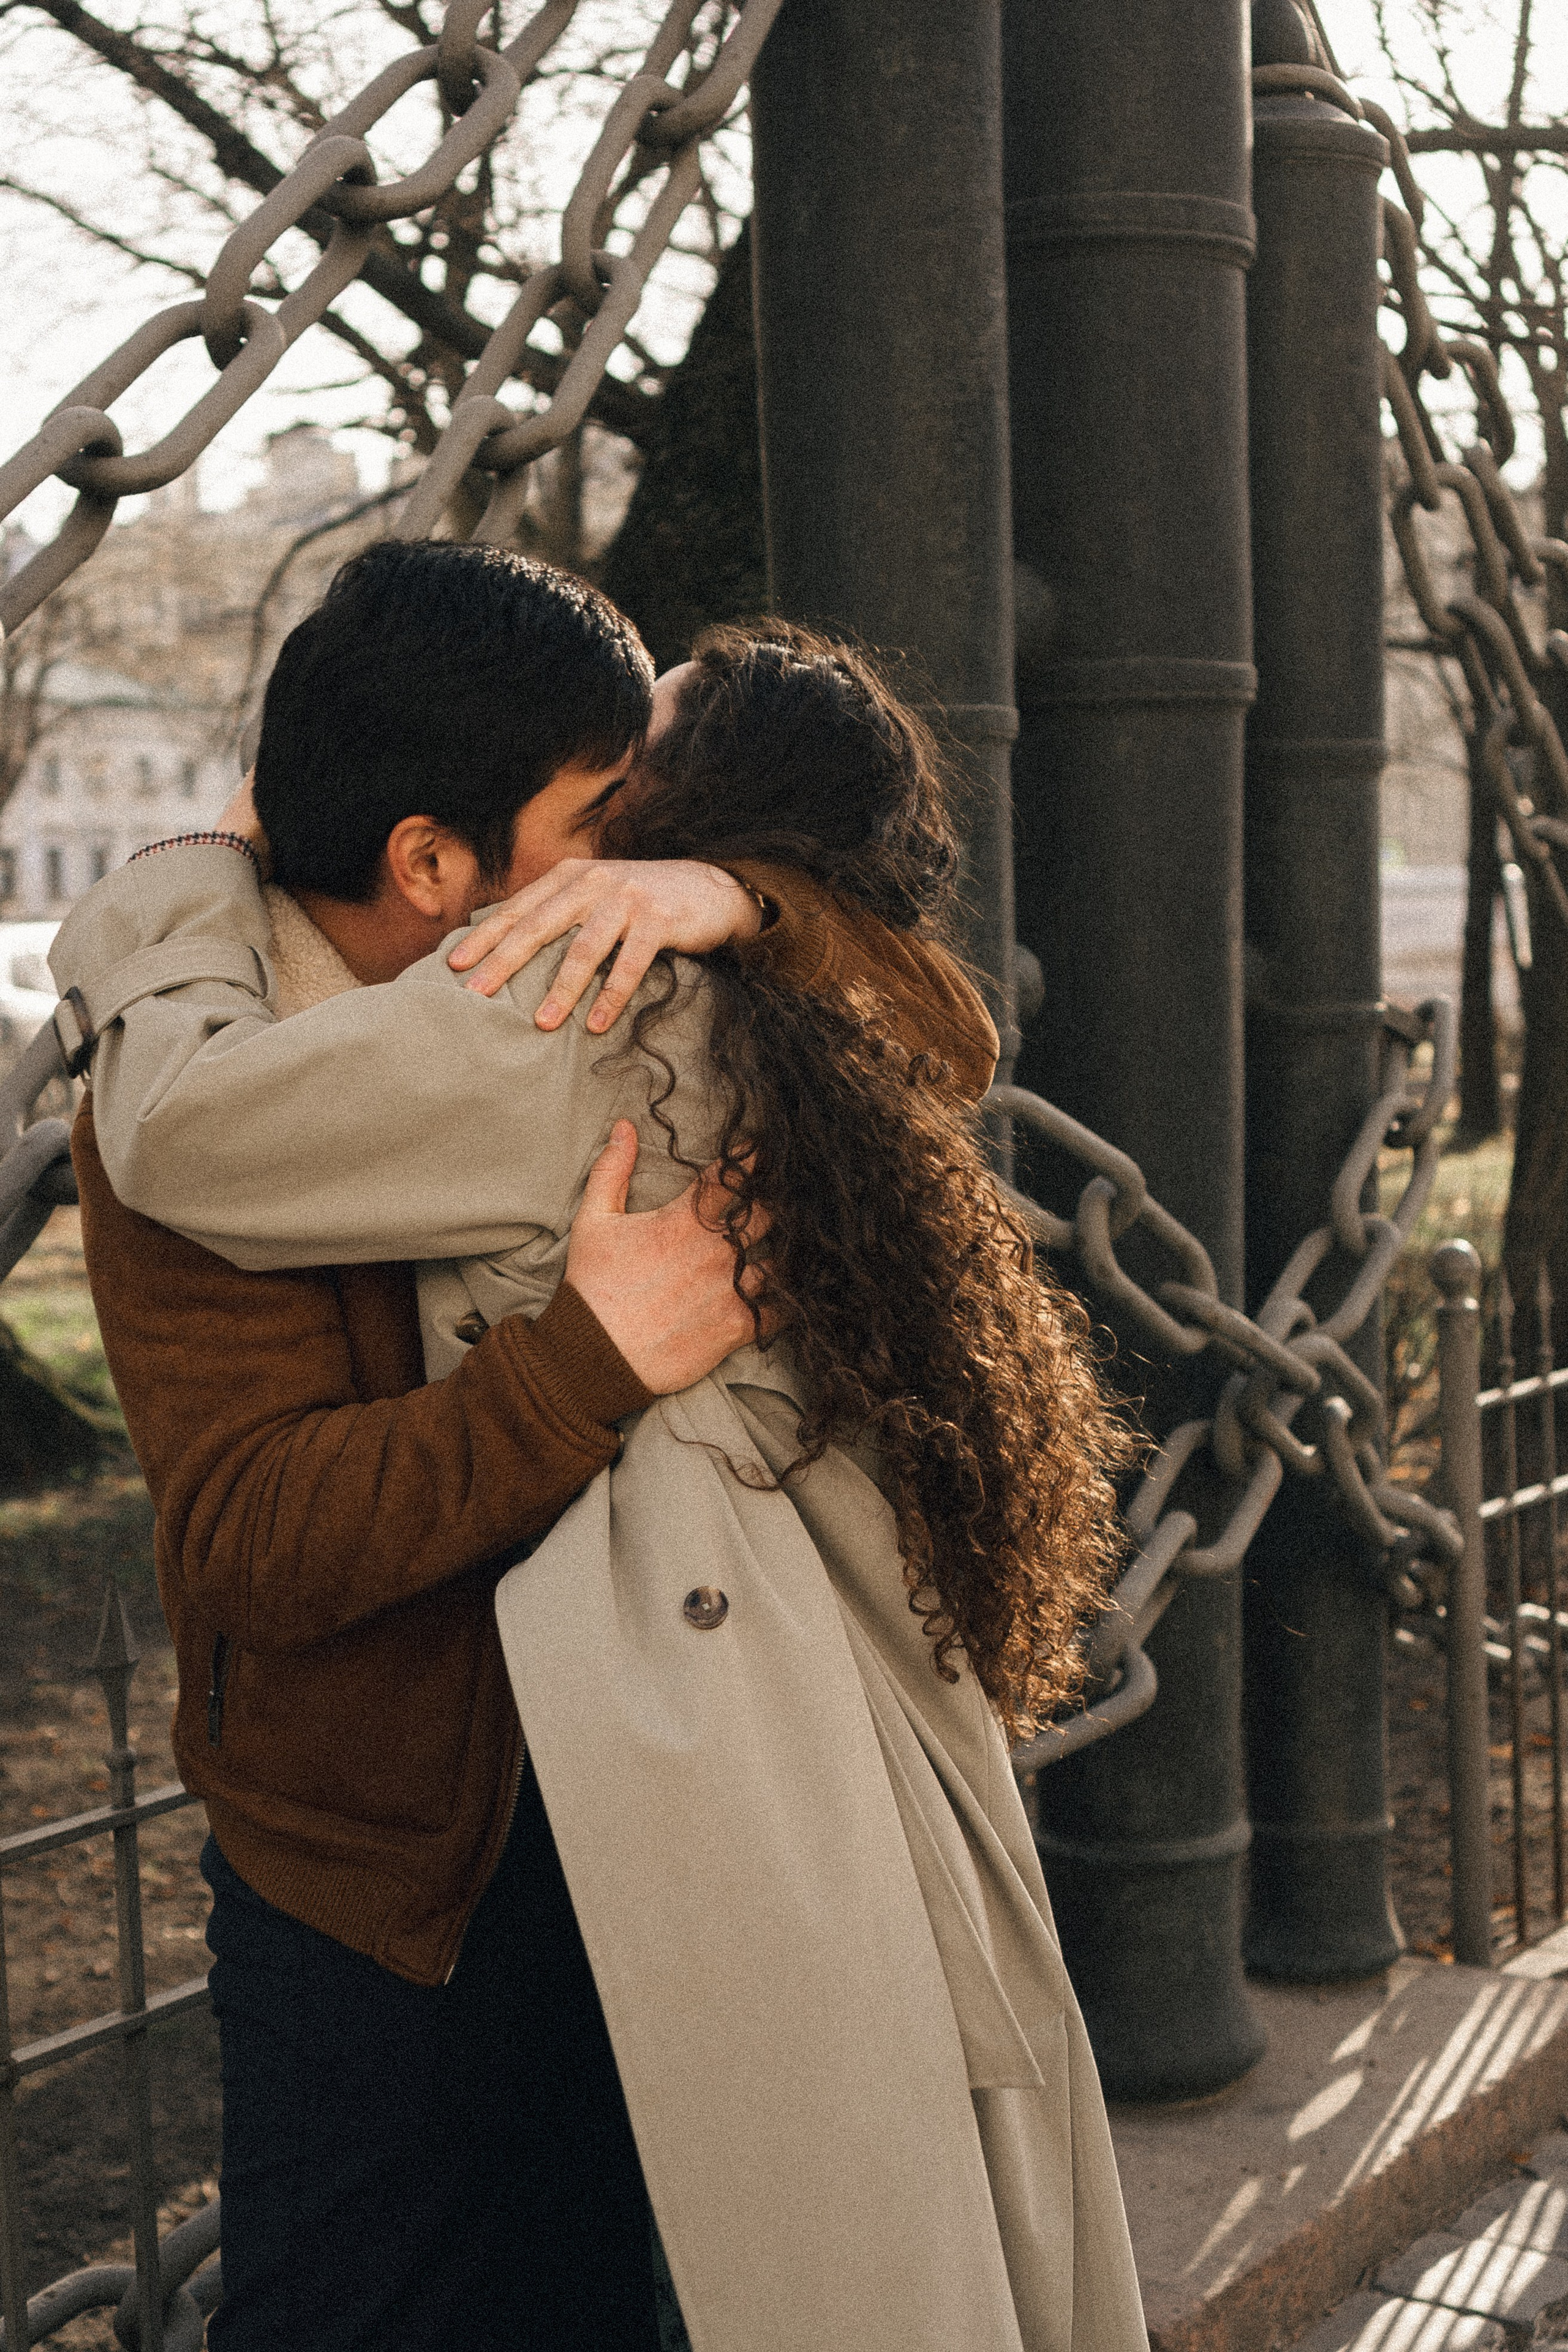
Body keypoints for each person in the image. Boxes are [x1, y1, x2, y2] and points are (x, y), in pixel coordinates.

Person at [57, 609, 1149, 2352]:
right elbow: (246, 1529)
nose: (640, 829)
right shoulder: (592, 1001)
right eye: (615, 799)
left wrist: (728, 899)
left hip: (647, 1791)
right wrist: (591, 1355)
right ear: (433, 857)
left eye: (664, 785)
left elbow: (185, 1120)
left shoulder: (596, 988)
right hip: (415, 1859)